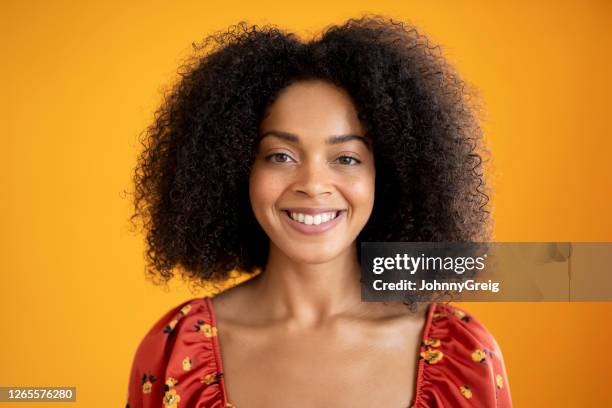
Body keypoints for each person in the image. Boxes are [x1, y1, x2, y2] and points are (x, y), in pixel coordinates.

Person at [125, 15, 512, 408]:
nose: (312, 183)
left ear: (389, 175)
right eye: (280, 156)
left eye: (346, 157)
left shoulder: (463, 356)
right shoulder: (175, 351)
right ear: (235, 168)